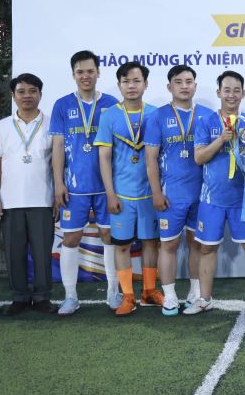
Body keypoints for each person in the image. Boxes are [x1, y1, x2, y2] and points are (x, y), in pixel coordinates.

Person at [192, 70, 245, 317]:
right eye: (227, 90)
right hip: (212, 199)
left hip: (243, 199)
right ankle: (204, 299)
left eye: (237, 90)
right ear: (219, 92)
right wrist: (221, 140)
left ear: (243, 93)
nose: (231, 95)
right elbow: (199, 157)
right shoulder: (206, 122)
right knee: (207, 249)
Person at [50, 51, 120, 316]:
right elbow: (57, 146)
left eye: (90, 71)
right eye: (80, 72)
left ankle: (113, 291)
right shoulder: (62, 105)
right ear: (73, 75)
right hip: (74, 187)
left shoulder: (112, 104)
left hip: (106, 186)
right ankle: (70, 296)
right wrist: (58, 183)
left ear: (98, 72)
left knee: (109, 237)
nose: (85, 76)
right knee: (71, 238)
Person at [143, 66, 214, 316]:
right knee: (168, 245)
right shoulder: (157, 116)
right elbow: (150, 160)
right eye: (178, 81)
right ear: (169, 86)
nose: (184, 86)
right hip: (170, 194)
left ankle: (195, 291)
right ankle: (170, 295)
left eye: (189, 81)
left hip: (202, 194)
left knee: (197, 243)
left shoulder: (208, 115)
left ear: (195, 85)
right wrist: (156, 193)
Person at [95, 61, 161, 316]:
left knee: (150, 243)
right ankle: (128, 296)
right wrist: (110, 194)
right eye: (126, 81)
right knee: (121, 246)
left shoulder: (155, 114)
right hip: (121, 195)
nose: (131, 86)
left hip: (149, 194)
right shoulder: (109, 116)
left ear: (146, 83)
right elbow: (104, 158)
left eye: (136, 81)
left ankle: (149, 291)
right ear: (119, 85)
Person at [0, 73, 56, 315]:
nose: (27, 96)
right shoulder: (2, 126)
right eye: (21, 91)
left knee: (42, 253)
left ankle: (42, 296)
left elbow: (58, 163)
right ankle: (19, 297)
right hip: (10, 200)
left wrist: (57, 195)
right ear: (13, 95)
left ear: (40, 94)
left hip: (43, 199)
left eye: (32, 91)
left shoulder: (52, 124)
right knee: (14, 252)